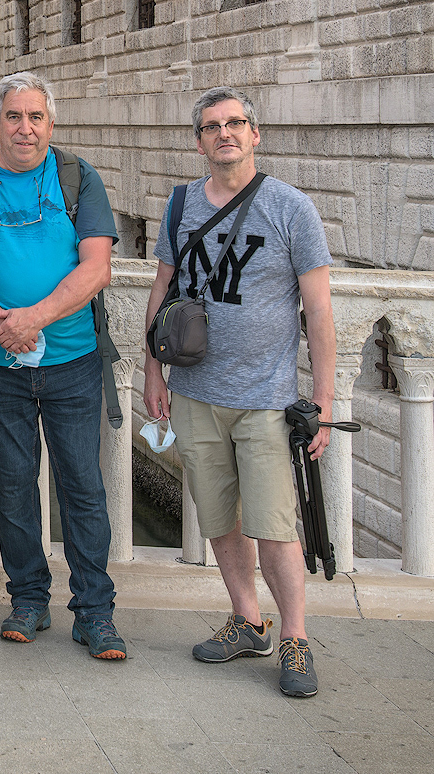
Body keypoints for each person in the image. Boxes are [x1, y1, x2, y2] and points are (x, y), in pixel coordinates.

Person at [143, 86, 335, 698]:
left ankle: (296, 640)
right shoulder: (180, 207)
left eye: (235, 124)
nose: (224, 133)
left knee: (277, 526)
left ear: (256, 134)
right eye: (211, 126)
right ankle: (247, 619)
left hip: (266, 399)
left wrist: (325, 401)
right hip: (196, 393)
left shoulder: (291, 208)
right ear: (199, 141)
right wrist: (154, 370)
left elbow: (320, 309)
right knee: (219, 517)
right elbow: (162, 289)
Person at [0, 72, 126, 659]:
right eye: (13, 117)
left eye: (36, 118)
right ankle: (28, 598)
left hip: (73, 360)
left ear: (50, 126)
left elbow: (96, 268)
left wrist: (32, 319)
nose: (24, 129)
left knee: (82, 486)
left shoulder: (79, 177)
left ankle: (94, 611)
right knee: (10, 486)